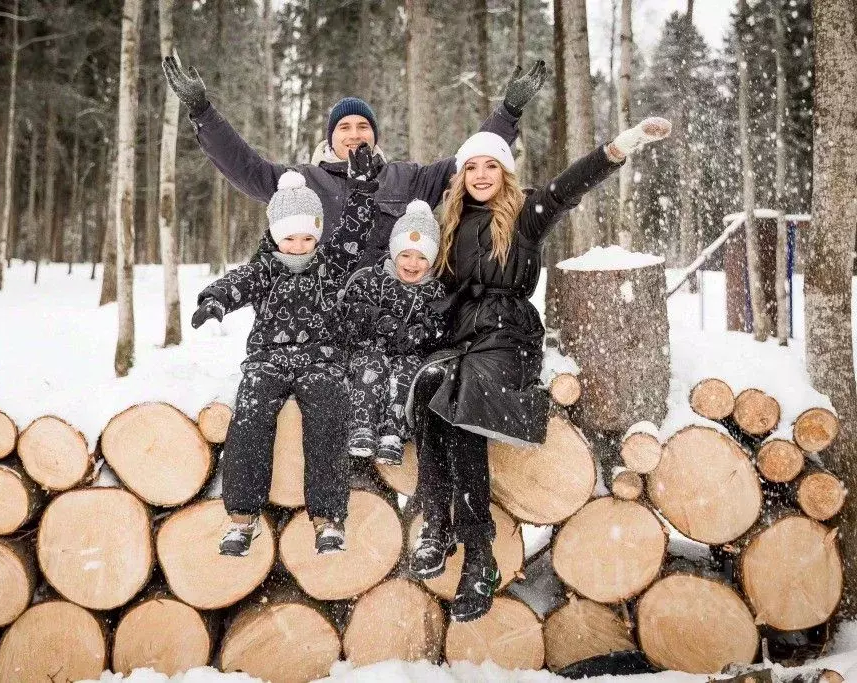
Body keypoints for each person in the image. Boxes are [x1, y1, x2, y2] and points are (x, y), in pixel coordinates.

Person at [408, 118, 673, 622]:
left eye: (491, 165)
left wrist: (621, 145)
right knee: (428, 391)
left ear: (506, 174)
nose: (481, 174)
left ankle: (479, 554)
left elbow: (569, 186)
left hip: (509, 338)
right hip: (461, 337)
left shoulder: (525, 214)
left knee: (462, 404)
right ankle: (436, 523)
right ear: (460, 175)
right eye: (471, 166)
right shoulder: (448, 225)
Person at [161, 56, 549, 265]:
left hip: (387, 311)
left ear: (374, 135)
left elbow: (470, 161)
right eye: (344, 127)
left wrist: (508, 112)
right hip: (323, 312)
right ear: (331, 137)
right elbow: (246, 170)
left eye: (363, 125)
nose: (355, 134)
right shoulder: (303, 181)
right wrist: (202, 112)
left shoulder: (407, 178)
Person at [192, 145, 381, 557]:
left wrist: (363, 188)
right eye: (290, 237)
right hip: (268, 361)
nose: (299, 245)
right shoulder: (265, 268)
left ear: (317, 234)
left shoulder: (331, 264)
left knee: (330, 412)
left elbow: (354, 231)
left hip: (321, 359)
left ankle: (328, 518)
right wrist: (216, 300)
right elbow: (239, 281)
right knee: (251, 412)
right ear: (277, 235)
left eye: (308, 236)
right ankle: (242, 518)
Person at [340, 200, 447, 465]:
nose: (413, 263)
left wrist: (417, 334)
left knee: (407, 372)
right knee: (372, 367)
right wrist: (383, 321)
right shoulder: (372, 279)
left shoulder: (434, 291)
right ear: (393, 253)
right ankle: (362, 425)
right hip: (369, 348)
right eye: (406, 255)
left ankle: (393, 433)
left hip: (408, 353)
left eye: (422, 257)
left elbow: (438, 325)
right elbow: (353, 310)